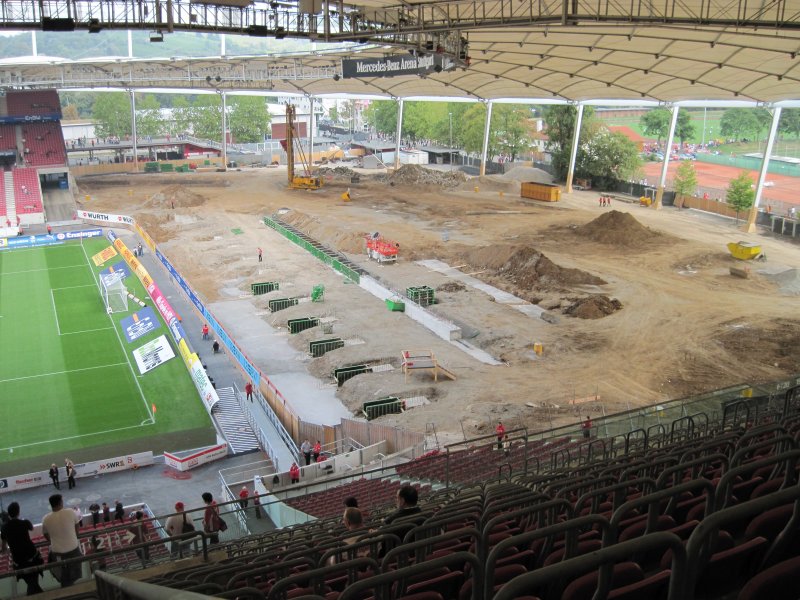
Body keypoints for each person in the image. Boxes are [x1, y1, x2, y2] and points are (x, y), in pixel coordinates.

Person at [0, 502, 44, 596]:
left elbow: (3, 548)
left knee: (31, 583)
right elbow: (31, 528)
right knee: (33, 582)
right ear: (18, 512)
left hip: (18, 561)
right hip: (32, 557)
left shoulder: (4, 528)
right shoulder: (24, 523)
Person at [41, 494, 82, 588]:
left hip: (58, 552)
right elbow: (77, 526)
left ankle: (67, 590)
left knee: (64, 576)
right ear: (60, 502)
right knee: (74, 574)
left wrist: (52, 541)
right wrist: (74, 536)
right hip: (73, 549)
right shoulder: (70, 512)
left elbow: (45, 534)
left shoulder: (46, 519)